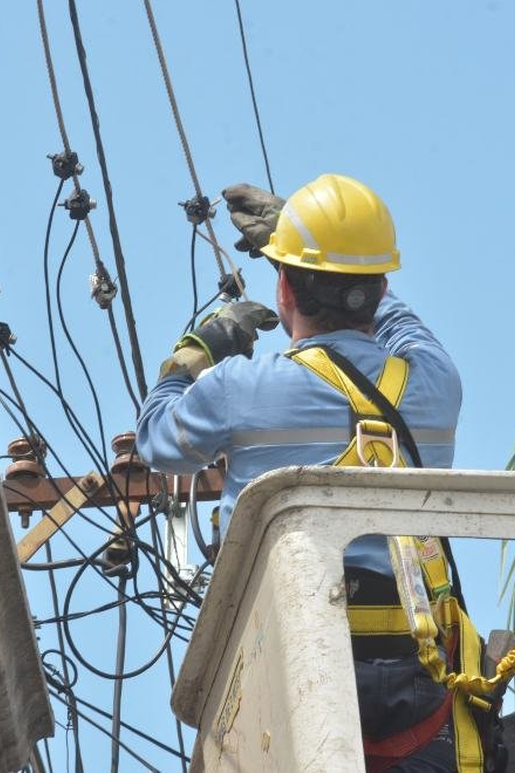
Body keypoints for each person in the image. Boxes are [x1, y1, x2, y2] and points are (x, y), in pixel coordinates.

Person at [136, 173, 467, 771]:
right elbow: (400, 323)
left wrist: (195, 352)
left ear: (283, 287)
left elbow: (158, 441)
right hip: (411, 677)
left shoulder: (240, 389)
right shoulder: (434, 385)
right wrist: (323, 245)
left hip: (282, 661)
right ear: (382, 284)